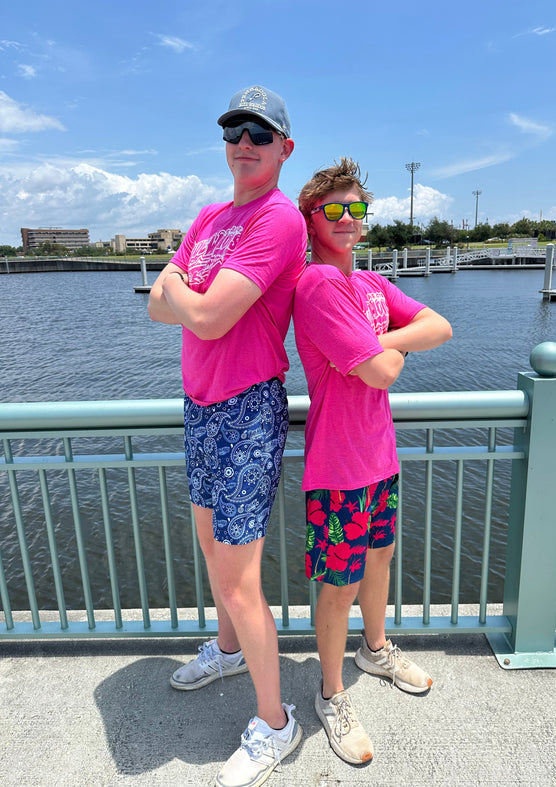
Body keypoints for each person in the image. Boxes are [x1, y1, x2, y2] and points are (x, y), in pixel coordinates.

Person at [148, 85, 307, 787]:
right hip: (199, 403)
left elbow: (203, 315)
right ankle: (226, 648)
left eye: (259, 132)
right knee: (212, 550)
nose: (243, 141)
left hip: (246, 408)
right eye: (233, 130)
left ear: (283, 149)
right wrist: (185, 295)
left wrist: (183, 292)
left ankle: (275, 721)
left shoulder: (279, 220)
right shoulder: (211, 214)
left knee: (241, 581)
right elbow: (160, 301)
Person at [293, 158, 452, 765]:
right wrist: (385, 350)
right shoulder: (317, 286)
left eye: (356, 208)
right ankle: (330, 694)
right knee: (338, 583)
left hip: (379, 455)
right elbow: (387, 372)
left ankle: (375, 648)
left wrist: (371, 340)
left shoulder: (370, 286)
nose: (346, 219)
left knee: (380, 559)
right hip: (336, 466)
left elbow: (438, 327)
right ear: (311, 220)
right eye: (332, 209)